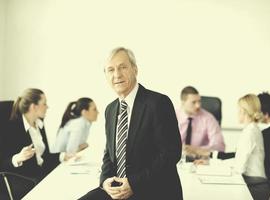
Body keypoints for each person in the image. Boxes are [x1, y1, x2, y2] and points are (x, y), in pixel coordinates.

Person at [79, 47, 183, 200]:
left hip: (153, 189)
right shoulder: (110, 109)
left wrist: (134, 184)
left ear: (135, 69)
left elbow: (170, 154)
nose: (117, 75)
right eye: (110, 70)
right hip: (118, 189)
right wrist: (105, 181)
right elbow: (109, 153)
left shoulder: (158, 103)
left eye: (123, 67)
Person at [0, 88, 60, 199]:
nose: (47, 107)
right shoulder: (11, 127)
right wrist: (17, 158)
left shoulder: (39, 125)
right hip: (25, 179)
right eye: (44, 104)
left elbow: (44, 157)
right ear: (34, 106)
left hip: (40, 174)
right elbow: (2, 163)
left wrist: (63, 155)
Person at [234, 94, 270, 200]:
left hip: (255, 186)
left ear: (243, 112)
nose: (237, 113)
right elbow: (239, 160)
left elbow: (239, 168)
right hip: (254, 183)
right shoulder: (252, 129)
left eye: (238, 110)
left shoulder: (249, 132)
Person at [176, 86, 225, 160]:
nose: (198, 105)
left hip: (200, 161)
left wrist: (197, 150)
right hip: (177, 160)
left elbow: (220, 146)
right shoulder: (173, 116)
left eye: (199, 101)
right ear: (183, 102)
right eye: (194, 102)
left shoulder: (208, 118)